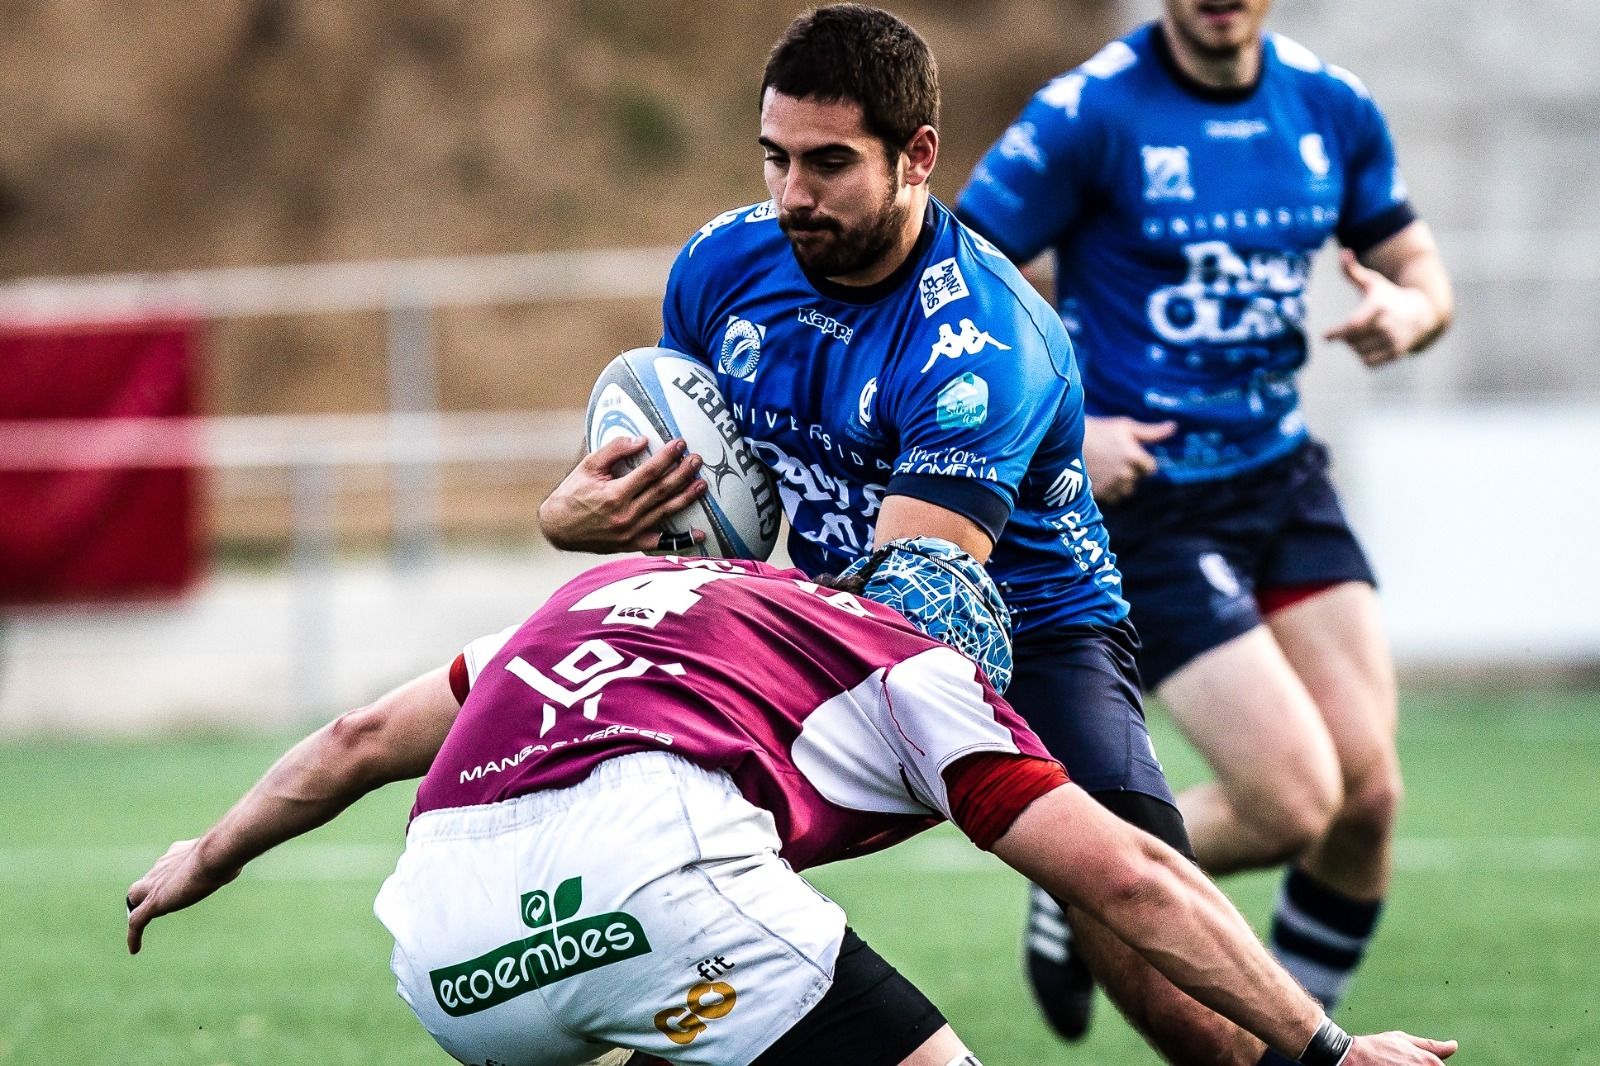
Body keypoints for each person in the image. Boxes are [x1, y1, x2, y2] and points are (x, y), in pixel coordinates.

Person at [536, 5, 1263, 1063]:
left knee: (1175, 983)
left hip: (1027, 635)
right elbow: (692, 501)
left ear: (917, 155)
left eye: (828, 164)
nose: (791, 194)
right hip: (826, 624)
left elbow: (916, 611)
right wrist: (573, 520)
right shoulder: (720, 267)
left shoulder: (985, 342)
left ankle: (1103, 902)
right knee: (667, 880)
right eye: (774, 159)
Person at [127, 538, 1458, 1066]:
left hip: (443, 963)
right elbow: (1130, 877)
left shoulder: (625, 589)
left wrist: (211, 850)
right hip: (649, 879)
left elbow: (363, 735)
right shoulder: (927, 672)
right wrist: (1326, 1049)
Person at [955, 0, 1455, 1044]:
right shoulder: (1087, 113)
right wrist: (1062, 425)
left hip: (1282, 482)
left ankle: (1244, 993)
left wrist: (1406, 313)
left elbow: (1420, 273)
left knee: (1367, 801)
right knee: (1291, 800)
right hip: (1150, 503)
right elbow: (951, 282)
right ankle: (1090, 869)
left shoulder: (1329, 106)